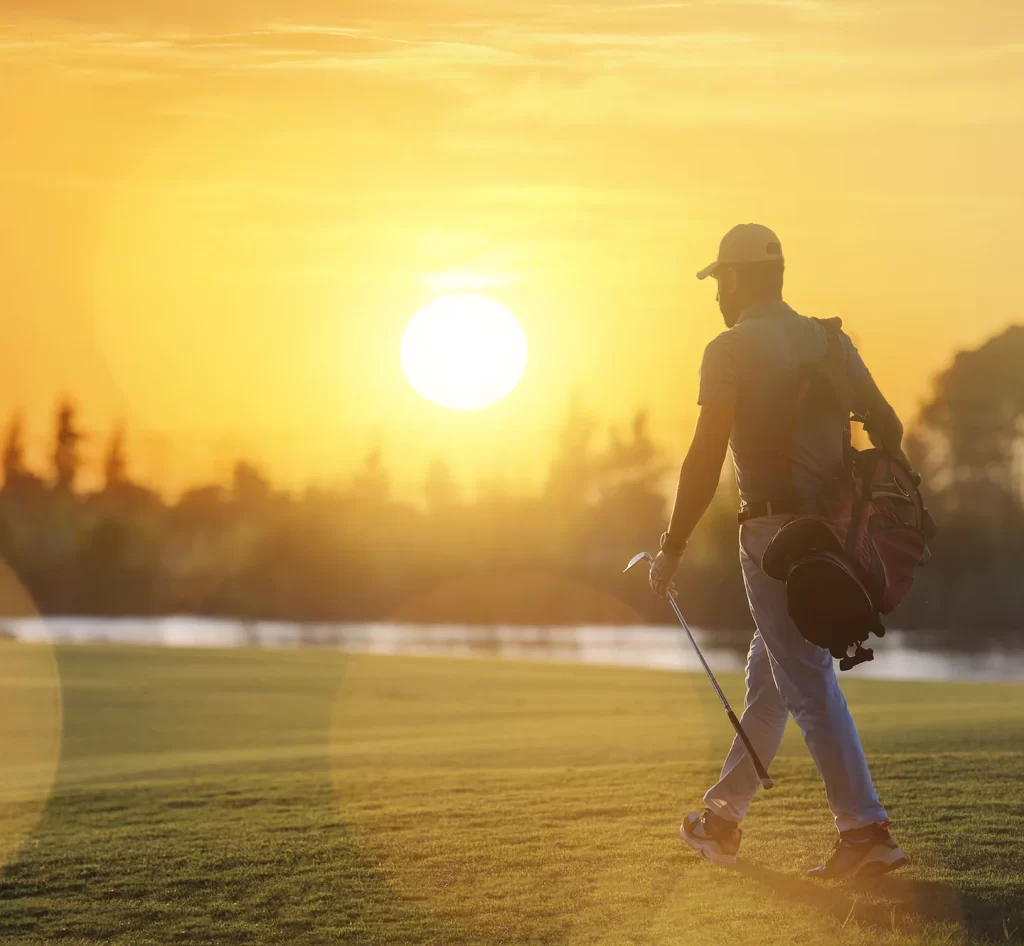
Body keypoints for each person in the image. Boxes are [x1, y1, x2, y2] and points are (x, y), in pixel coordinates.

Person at [650, 223, 907, 880]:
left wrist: (673, 545)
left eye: (717, 283)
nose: (715, 296)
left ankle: (865, 831)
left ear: (733, 279)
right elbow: (889, 426)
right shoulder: (829, 338)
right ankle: (723, 821)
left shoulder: (728, 347)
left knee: (806, 682)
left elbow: (707, 455)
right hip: (834, 538)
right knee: (772, 678)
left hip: (772, 539)